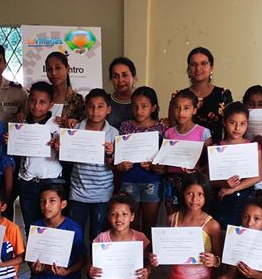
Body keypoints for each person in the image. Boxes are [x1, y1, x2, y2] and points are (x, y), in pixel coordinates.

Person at [148, 173, 223, 279]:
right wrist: (156, 258)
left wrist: (214, 260)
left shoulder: (212, 225)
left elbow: (219, 259)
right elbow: (165, 250)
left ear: (206, 196)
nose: (195, 199)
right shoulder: (172, 219)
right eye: (190, 193)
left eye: (200, 194)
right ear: (183, 194)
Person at [22, 185, 86, 279]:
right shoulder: (37, 227)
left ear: (62, 204)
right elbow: (30, 257)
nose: (46, 206)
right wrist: (34, 268)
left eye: (52, 201)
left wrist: (67, 271)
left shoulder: (73, 227)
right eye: (42, 201)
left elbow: (83, 259)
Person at [67, 88, 120, 241]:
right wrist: (63, 149)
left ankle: (93, 257)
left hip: (102, 194)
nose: (95, 111)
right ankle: (79, 258)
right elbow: (69, 161)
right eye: (91, 106)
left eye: (100, 106)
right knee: (76, 235)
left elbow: (113, 166)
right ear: (85, 108)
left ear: (108, 109)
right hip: (77, 192)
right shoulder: (76, 129)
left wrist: (110, 154)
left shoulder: (113, 133)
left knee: (98, 235)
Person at [116, 86, 167, 237]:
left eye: (144, 106)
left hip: (151, 182)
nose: (139, 111)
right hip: (129, 180)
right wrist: (120, 165)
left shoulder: (161, 128)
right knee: (130, 225)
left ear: (154, 108)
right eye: (135, 106)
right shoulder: (125, 126)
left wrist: (156, 166)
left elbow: (164, 158)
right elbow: (118, 156)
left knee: (149, 225)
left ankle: (147, 252)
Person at [155, 89, 212, 215]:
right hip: (171, 181)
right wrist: (160, 167)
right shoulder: (168, 133)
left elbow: (211, 161)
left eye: (186, 108)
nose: (181, 112)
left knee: (191, 216)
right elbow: (163, 159)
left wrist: (198, 171)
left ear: (194, 110)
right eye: (177, 107)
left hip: (193, 182)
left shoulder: (203, 133)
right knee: (172, 217)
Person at [16, 82, 65, 226]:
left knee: (52, 225)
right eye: (33, 101)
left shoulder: (58, 126)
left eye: (42, 102)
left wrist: (60, 148)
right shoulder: (21, 125)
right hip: (27, 181)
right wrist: (11, 141)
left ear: (51, 105)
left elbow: (68, 157)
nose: (37, 106)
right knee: (31, 226)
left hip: (51, 181)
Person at [208, 102, 262, 228]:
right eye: (232, 123)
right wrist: (223, 184)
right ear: (224, 122)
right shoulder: (216, 148)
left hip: (247, 199)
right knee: (222, 232)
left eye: (242, 123)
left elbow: (257, 176)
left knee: (244, 232)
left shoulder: (253, 147)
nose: (237, 128)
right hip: (222, 201)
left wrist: (233, 189)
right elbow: (210, 179)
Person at [182, 47, 233, 144]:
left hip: (217, 150)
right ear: (189, 69)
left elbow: (230, 127)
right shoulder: (179, 96)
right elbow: (173, 130)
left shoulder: (223, 95)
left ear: (211, 67)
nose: (198, 68)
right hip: (185, 151)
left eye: (204, 63)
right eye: (193, 64)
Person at [45, 51, 85, 127]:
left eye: (58, 68)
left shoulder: (77, 100)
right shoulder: (41, 96)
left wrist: (72, 123)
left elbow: (84, 126)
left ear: (68, 69)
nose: (53, 73)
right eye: (49, 69)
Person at [107, 57, 137, 129]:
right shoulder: (104, 102)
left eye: (124, 75)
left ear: (134, 78)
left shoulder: (143, 102)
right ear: (111, 79)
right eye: (115, 76)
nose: (120, 80)